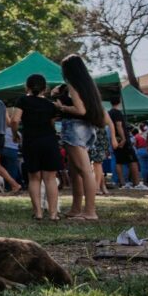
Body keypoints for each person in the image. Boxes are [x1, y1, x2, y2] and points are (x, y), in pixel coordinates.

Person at [53, 54, 112, 220]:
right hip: (87, 129)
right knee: (74, 171)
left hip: (75, 129)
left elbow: (80, 110)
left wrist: (61, 107)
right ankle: (76, 208)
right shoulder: (88, 85)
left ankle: (90, 211)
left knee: (85, 171)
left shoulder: (73, 85)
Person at [9, 74, 62, 220]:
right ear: (45, 88)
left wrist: (15, 134)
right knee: (50, 179)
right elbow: (53, 125)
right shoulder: (50, 105)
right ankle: (53, 214)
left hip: (31, 141)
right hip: (49, 141)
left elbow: (14, 120)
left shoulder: (22, 100)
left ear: (27, 87)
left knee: (34, 178)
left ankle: (38, 213)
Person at [108, 93, 146, 190]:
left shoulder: (109, 112)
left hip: (115, 139)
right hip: (122, 140)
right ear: (119, 102)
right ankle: (136, 183)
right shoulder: (117, 112)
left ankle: (122, 183)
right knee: (132, 160)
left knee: (119, 161)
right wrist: (124, 138)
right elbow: (118, 125)